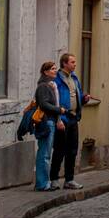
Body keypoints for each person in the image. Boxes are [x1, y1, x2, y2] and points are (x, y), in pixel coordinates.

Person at [50, 52, 88, 190]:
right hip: (62, 118)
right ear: (64, 63)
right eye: (72, 62)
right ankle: (54, 178)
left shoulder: (75, 79)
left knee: (72, 150)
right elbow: (54, 100)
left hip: (73, 117)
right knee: (59, 149)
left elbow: (77, 95)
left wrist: (83, 99)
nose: (75, 64)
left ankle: (69, 179)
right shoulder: (57, 80)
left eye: (75, 62)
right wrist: (58, 119)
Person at [34, 61, 63, 191]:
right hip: (46, 122)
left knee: (46, 153)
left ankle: (44, 182)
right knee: (44, 154)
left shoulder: (50, 85)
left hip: (50, 121)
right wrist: (58, 110)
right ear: (45, 72)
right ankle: (42, 184)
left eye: (55, 69)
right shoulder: (43, 86)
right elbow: (44, 104)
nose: (55, 71)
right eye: (52, 69)